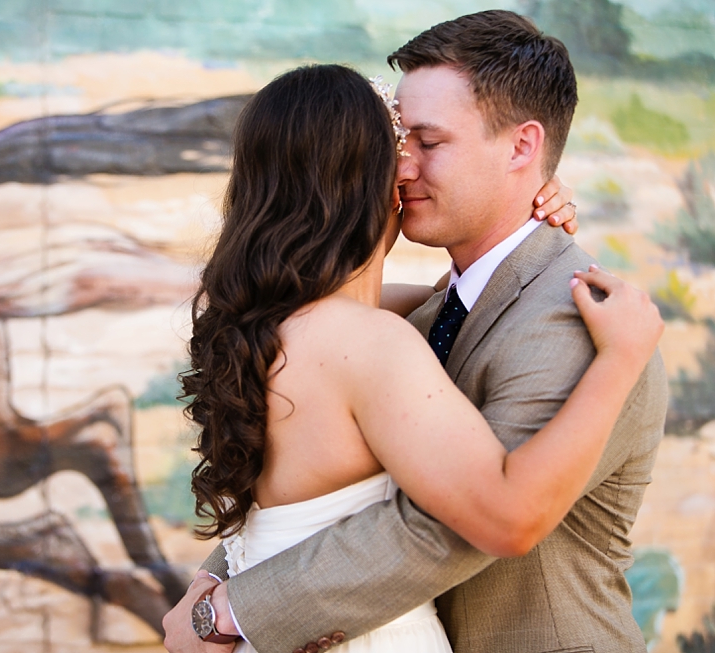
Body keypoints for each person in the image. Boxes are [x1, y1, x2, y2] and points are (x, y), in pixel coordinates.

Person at [163, 11, 667, 653]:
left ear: (521, 147)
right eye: (396, 143)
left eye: (426, 142)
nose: (402, 169)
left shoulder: (575, 319)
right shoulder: (402, 320)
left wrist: (231, 609)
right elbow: (319, 507)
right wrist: (217, 590)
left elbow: (439, 528)